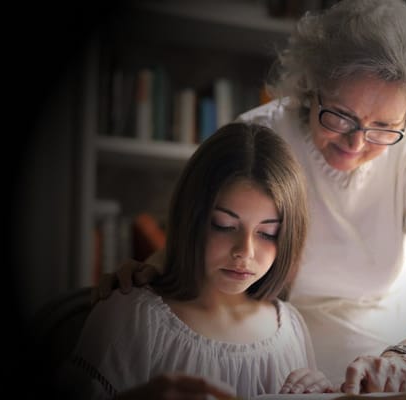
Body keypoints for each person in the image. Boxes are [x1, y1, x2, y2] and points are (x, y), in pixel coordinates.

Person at [94, 1, 406, 399]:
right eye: (341, 116)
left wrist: (405, 360)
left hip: (389, 366)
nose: (356, 142)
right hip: (281, 360)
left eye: (384, 128)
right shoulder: (259, 137)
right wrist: (144, 277)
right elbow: (204, 235)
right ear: (312, 87)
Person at [64, 122, 335, 399]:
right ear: (191, 218)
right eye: (224, 225)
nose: (245, 251)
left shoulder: (289, 328)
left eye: (268, 233)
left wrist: (318, 392)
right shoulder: (132, 317)